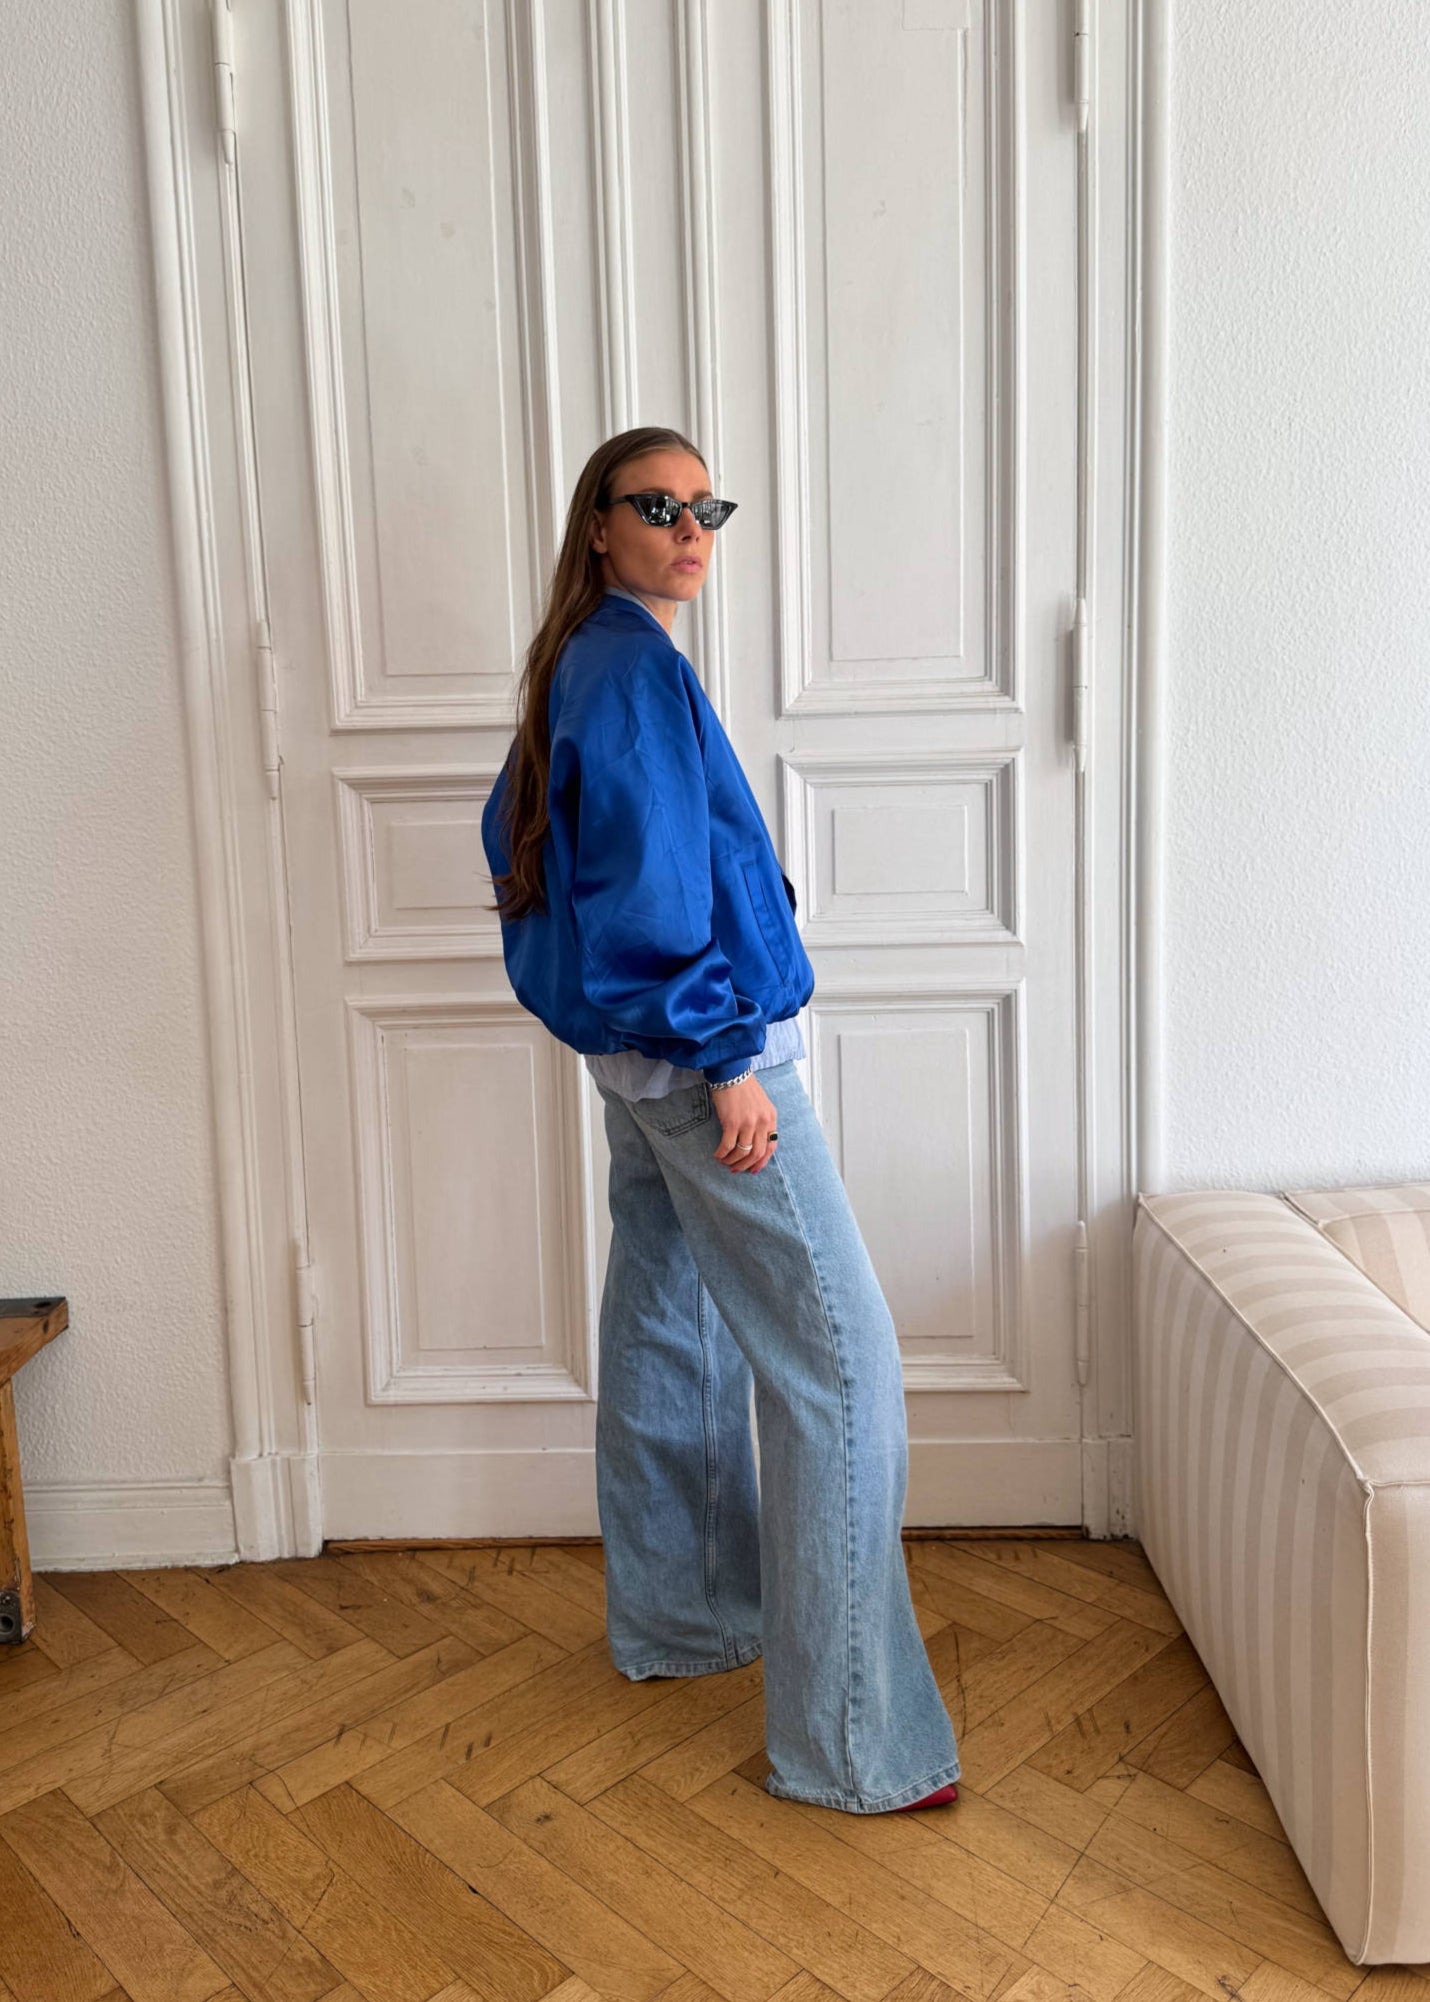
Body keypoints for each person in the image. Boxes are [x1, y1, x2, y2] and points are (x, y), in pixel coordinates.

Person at [481, 424, 960, 1813]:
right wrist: (724, 1051)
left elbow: (522, 845)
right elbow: (640, 892)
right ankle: (851, 1740)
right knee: (840, 1363)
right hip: (702, 1064)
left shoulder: (581, 658)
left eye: (708, 509)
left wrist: (634, 1023)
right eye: (659, 507)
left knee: (668, 1314)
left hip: (640, 1062)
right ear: (599, 524)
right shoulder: (626, 666)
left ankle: (686, 1617)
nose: (691, 533)